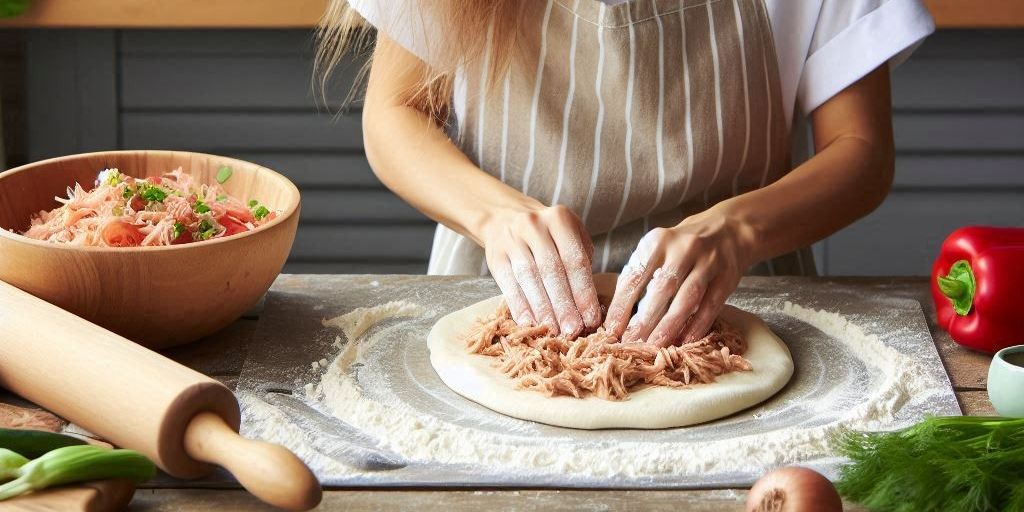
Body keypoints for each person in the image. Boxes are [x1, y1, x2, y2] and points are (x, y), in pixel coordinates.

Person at [316, 0, 934, 345]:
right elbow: (396, 113)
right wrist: (496, 216)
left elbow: (860, 152)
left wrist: (738, 230)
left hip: (746, 302)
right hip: (501, 293)